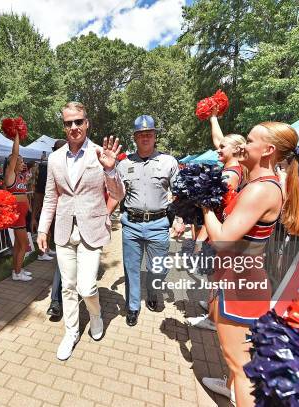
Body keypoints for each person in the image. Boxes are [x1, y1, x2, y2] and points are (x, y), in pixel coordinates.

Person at [200, 122, 299, 406]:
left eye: (249, 140)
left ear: (268, 150)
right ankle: (227, 387)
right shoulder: (258, 183)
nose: (242, 145)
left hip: (239, 282)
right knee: (239, 360)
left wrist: (204, 205)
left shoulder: (261, 190)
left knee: (241, 367)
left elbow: (222, 240)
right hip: (238, 277)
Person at [37, 102, 125, 360]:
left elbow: (118, 194)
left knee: (86, 287)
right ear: (63, 126)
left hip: (92, 229)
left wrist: (110, 169)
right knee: (68, 287)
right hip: (64, 230)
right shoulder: (54, 158)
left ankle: (96, 316)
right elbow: (51, 198)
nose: (73, 127)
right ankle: (71, 332)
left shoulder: (100, 153)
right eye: (68, 123)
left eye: (78, 122)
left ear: (86, 123)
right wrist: (43, 229)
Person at [187, 109, 246, 332]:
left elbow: (215, 208)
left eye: (222, 148)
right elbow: (221, 140)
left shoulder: (230, 174)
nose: (217, 148)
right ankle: (212, 308)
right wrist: (213, 118)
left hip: (220, 230)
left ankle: (213, 318)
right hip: (223, 229)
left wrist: (201, 238)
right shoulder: (233, 166)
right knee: (215, 274)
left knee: (217, 274)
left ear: (237, 150)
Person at [116, 115, 178, 326]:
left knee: (158, 268)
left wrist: (180, 219)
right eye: (141, 134)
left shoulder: (168, 162)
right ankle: (133, 306)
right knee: (131, 268)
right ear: (135, 137)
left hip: (159, 224)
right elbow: (117, 194)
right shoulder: (124, 164)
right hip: (131, 224)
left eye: (149, 134)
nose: (145, 137)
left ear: (155, 136)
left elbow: (179, 193)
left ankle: (152, 291)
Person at [31, 140, 68, 318]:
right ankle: (56, 300)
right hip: (55, 218)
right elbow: (40, 194)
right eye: (57, 149)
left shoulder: (78, 162)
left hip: (78, 221)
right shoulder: (47, 167)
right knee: (61, 260)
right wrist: (36, 219)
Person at [3, 135, 33, 282]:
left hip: (22, 214)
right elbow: (14, 154)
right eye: (19, 161)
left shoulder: (20, 177)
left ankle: (17, 270)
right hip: (16, 215)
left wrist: (28, 208)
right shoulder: (10, 175)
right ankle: (18, 273)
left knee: (17, 245)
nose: (22, 163)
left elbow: (23, 195)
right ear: (12, 163)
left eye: (23, 161)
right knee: (24, 244)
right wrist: (16, 136)